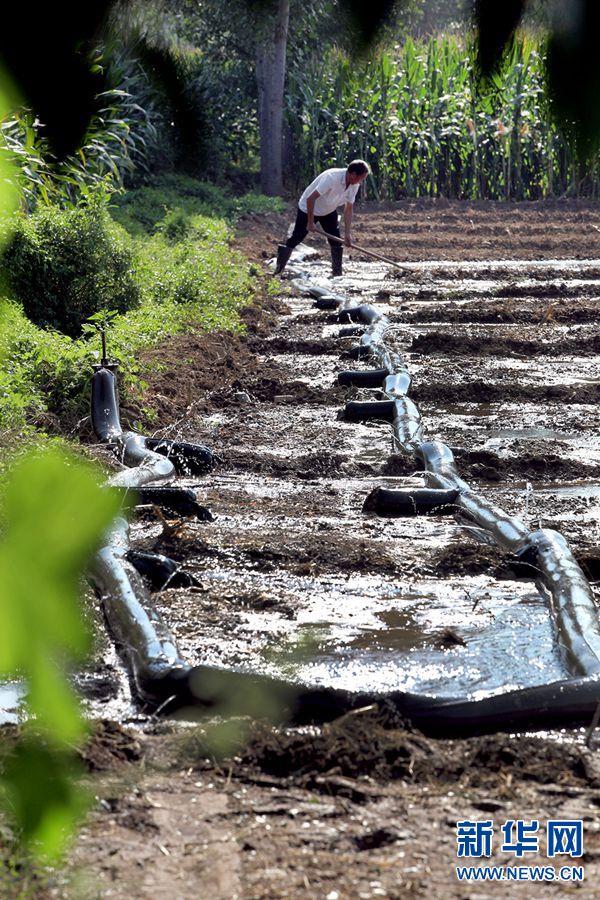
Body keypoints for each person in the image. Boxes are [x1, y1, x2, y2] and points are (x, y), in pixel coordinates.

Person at [274, 159, 370, 277]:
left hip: (328, 210)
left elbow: (348, 208)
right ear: (353, 174)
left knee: (336, 241)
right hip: (308, 208)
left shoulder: (354, 184)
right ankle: (278, 269)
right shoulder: (331, 178)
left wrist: (347, 234)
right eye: (362, 178)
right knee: (296, 238)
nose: (362, 181)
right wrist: (310, 222)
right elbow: (310, 199)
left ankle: (337, 274)